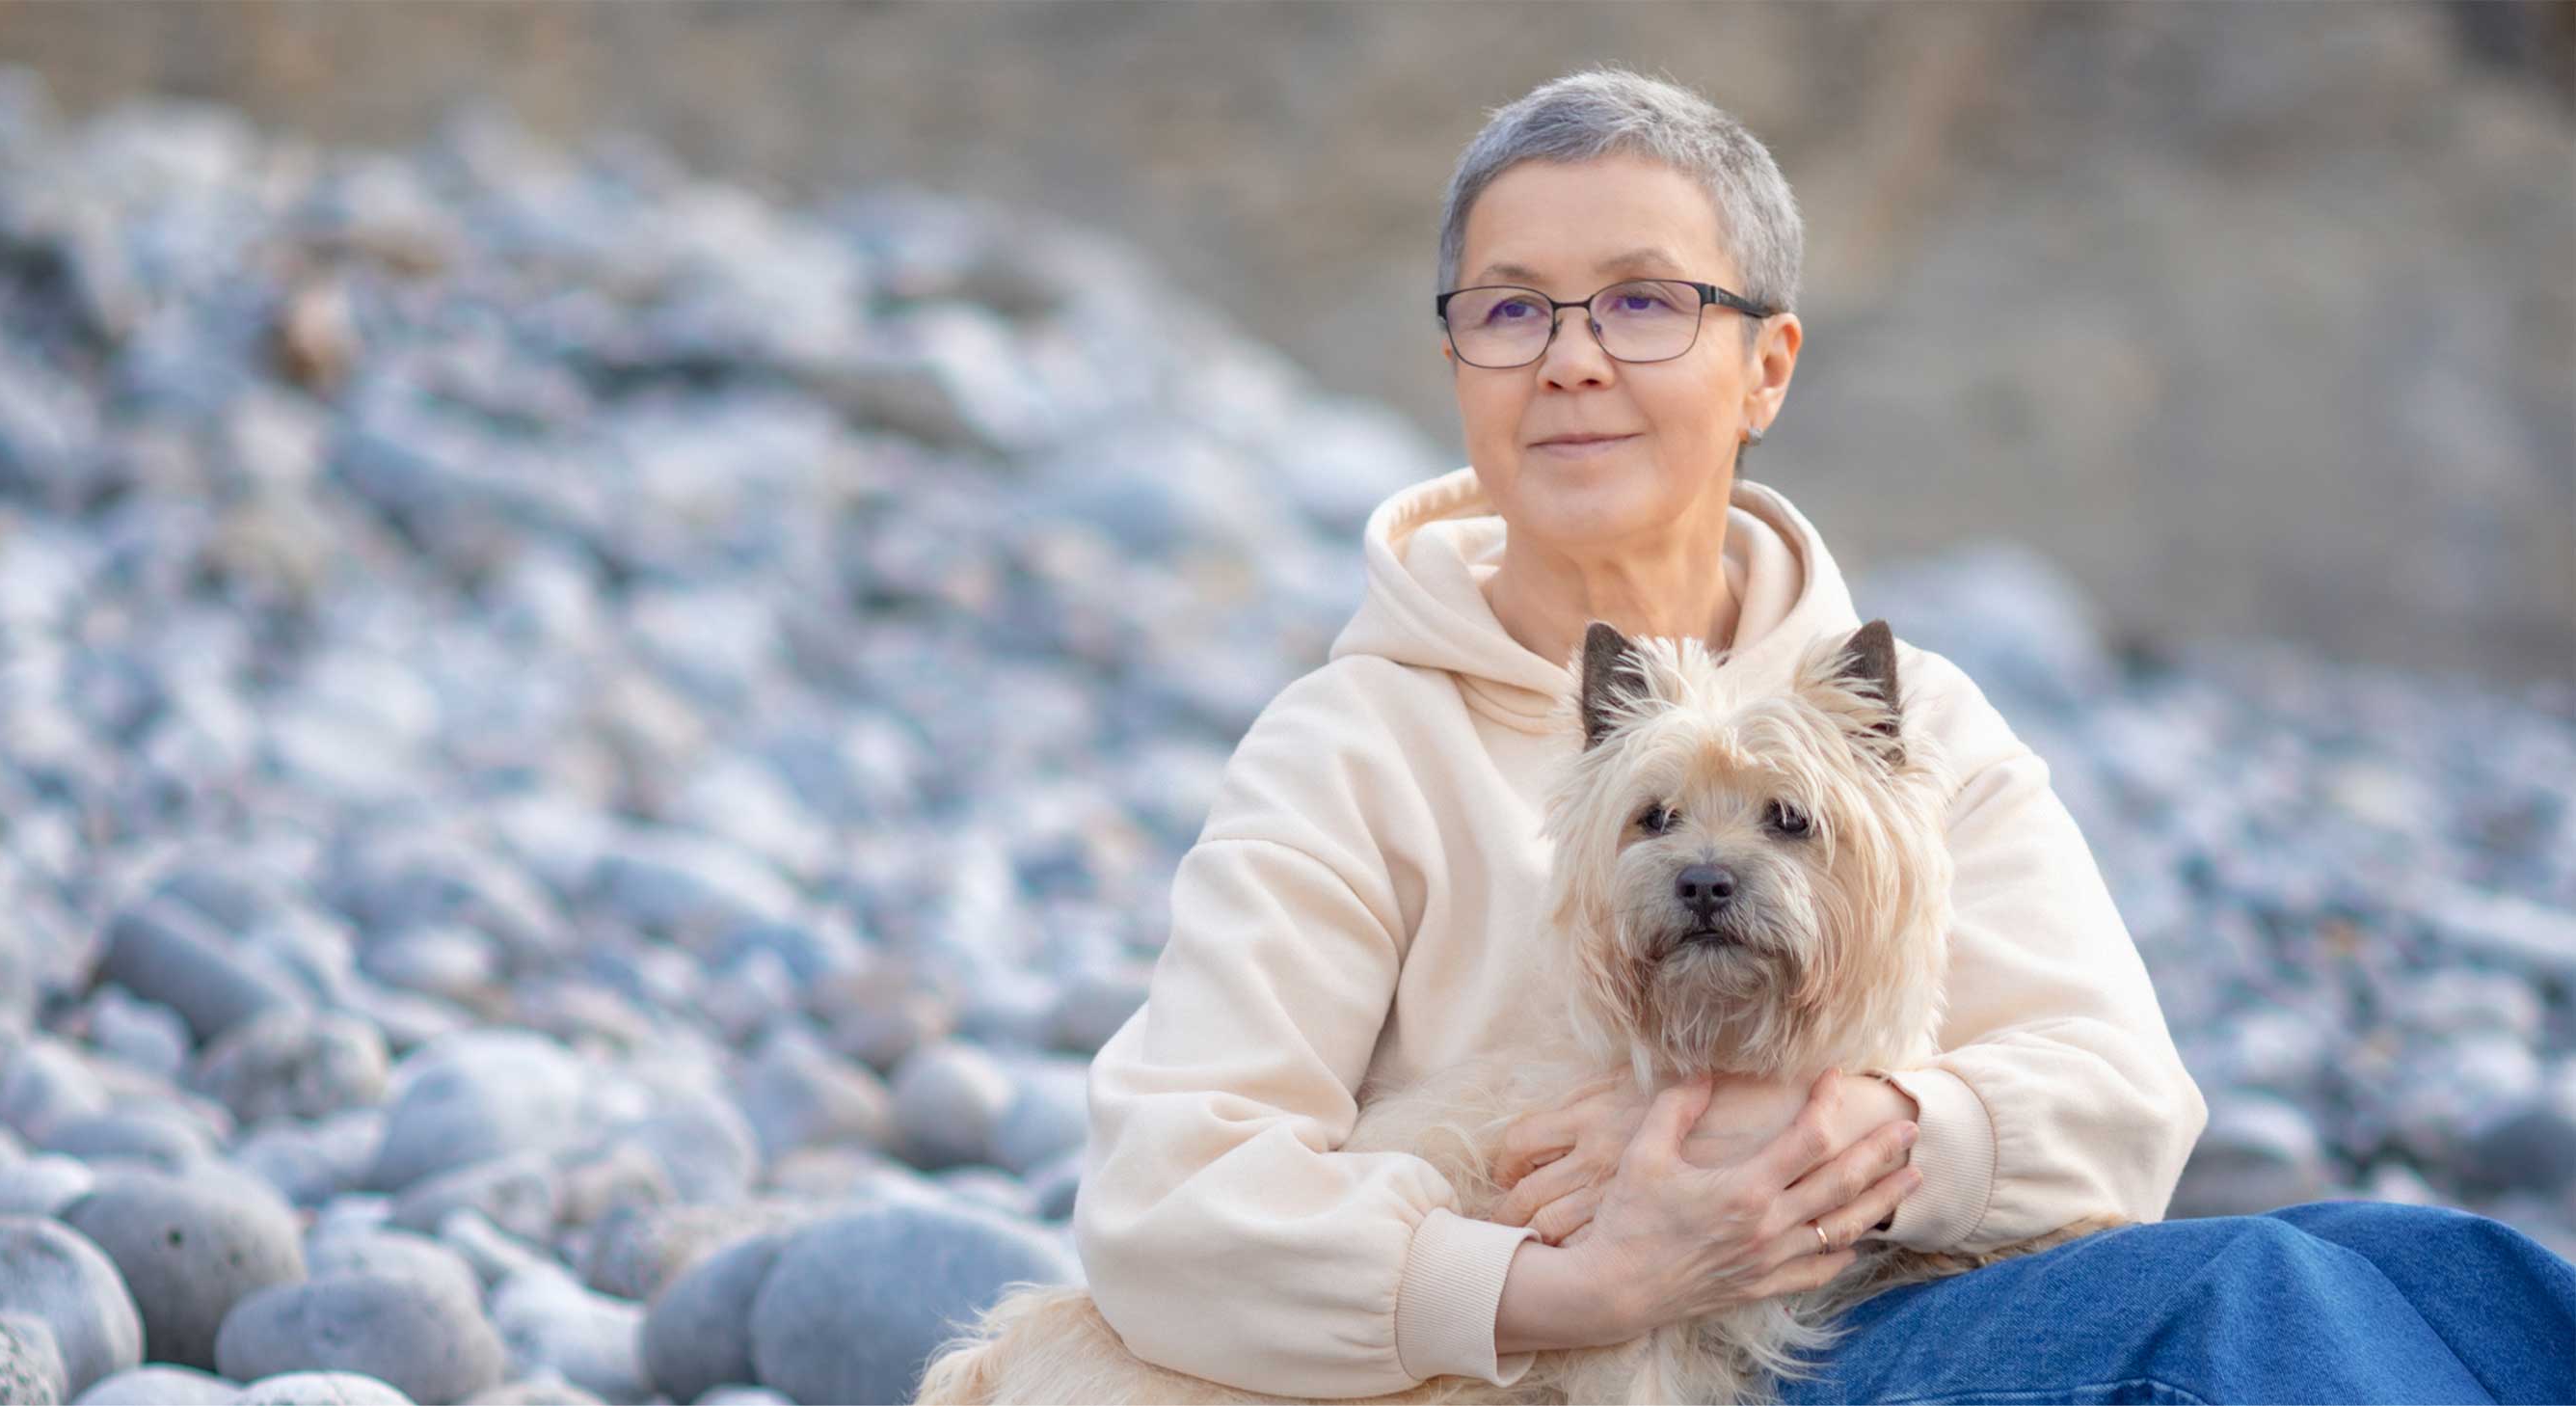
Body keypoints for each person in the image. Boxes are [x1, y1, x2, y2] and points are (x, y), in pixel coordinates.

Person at [1068, 63, 2576, 1405]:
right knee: (2241, 1297)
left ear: (1766, 367)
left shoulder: (1908, 716)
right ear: (1458, 361)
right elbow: (1164, 1203)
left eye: (1644, 302)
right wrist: (1573, 1284)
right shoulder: (1349, 746)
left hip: (1848, 1298)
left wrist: (1817, 1135)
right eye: (1511, 307)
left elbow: (2122, 1104)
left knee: (2437, 1269)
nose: (1571, 358)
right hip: (1592, 1366)